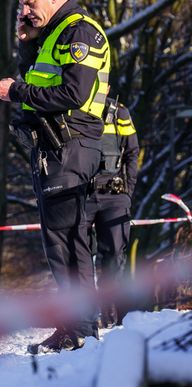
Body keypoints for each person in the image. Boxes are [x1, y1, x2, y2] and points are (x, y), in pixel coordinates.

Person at [0, 0, 112, 354]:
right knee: (58, 244)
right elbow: (41, 80)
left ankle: (80, 330)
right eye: (22, 5)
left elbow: (74, 92)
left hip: (73, 146)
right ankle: (72, 326)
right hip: (54, 148)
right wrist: (26, 45)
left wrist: (16, 92)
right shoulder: (52, 34)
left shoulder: (79, 31)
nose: (24, 10)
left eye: (30, 2)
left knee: (70, 242)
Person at [88, 100, 139, 327]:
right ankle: (86, 318)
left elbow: (131, 151)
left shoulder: (119, 112)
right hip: (81, 195)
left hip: (114, 195)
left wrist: (127, 192)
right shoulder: (72, 107)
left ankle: (116, 317)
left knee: (114, 258)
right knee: (79, 257)